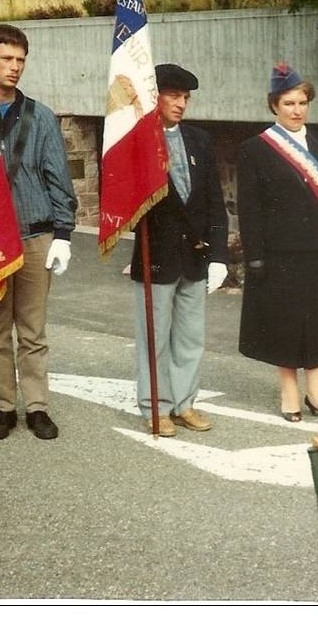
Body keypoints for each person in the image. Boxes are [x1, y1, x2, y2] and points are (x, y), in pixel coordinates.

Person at [237, 62, 318, 423]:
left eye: (302, 102)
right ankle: (290, 393)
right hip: (279, 253)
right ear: (274, 105)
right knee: (285, 323)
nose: (297, 110)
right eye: (288, 103)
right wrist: (254, 254)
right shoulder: (256, 149)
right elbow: (249, 208)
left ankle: (317, 393)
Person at [0, 24, 78, 441]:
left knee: (32, 329)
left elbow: (59, 177)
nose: (15, 67)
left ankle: (36, 406)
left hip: (35, 236)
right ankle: (4, 407)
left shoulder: (40, 116)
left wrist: (64, 234)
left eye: (21, 60)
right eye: (6, 58)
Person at [131, 64, 229, 437]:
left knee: (190, 337)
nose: (181, 103)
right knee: (154, 338)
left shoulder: (199, 140)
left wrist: (219, 254)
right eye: (173, 94)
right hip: (156, 253)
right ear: (154, 95)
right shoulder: (137, 142)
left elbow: (214, 203)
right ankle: (155, 406)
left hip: (195, 255)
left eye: (185, 97)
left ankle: (184, 403)